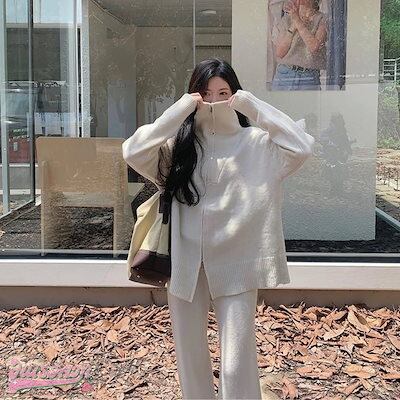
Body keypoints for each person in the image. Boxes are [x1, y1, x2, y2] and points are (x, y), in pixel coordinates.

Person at [122, 58, 315, 399]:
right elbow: (133, 151)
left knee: (235, 364)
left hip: (237, 262)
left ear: (235, 94)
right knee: (189, 355)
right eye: (205, 93)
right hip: (184, 263)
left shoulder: (257, 145)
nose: (213, 101)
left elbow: (301, 146)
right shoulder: (178, 149)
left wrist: (249, 103)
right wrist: (181, 109)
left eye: (223, 93)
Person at [271, 0, 328, 90]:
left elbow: (314, 47)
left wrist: (298, 22)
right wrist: (293, 26)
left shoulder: (322, 19)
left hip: (309, 78)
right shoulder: (287, 18)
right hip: (284, 75)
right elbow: (280, 53)